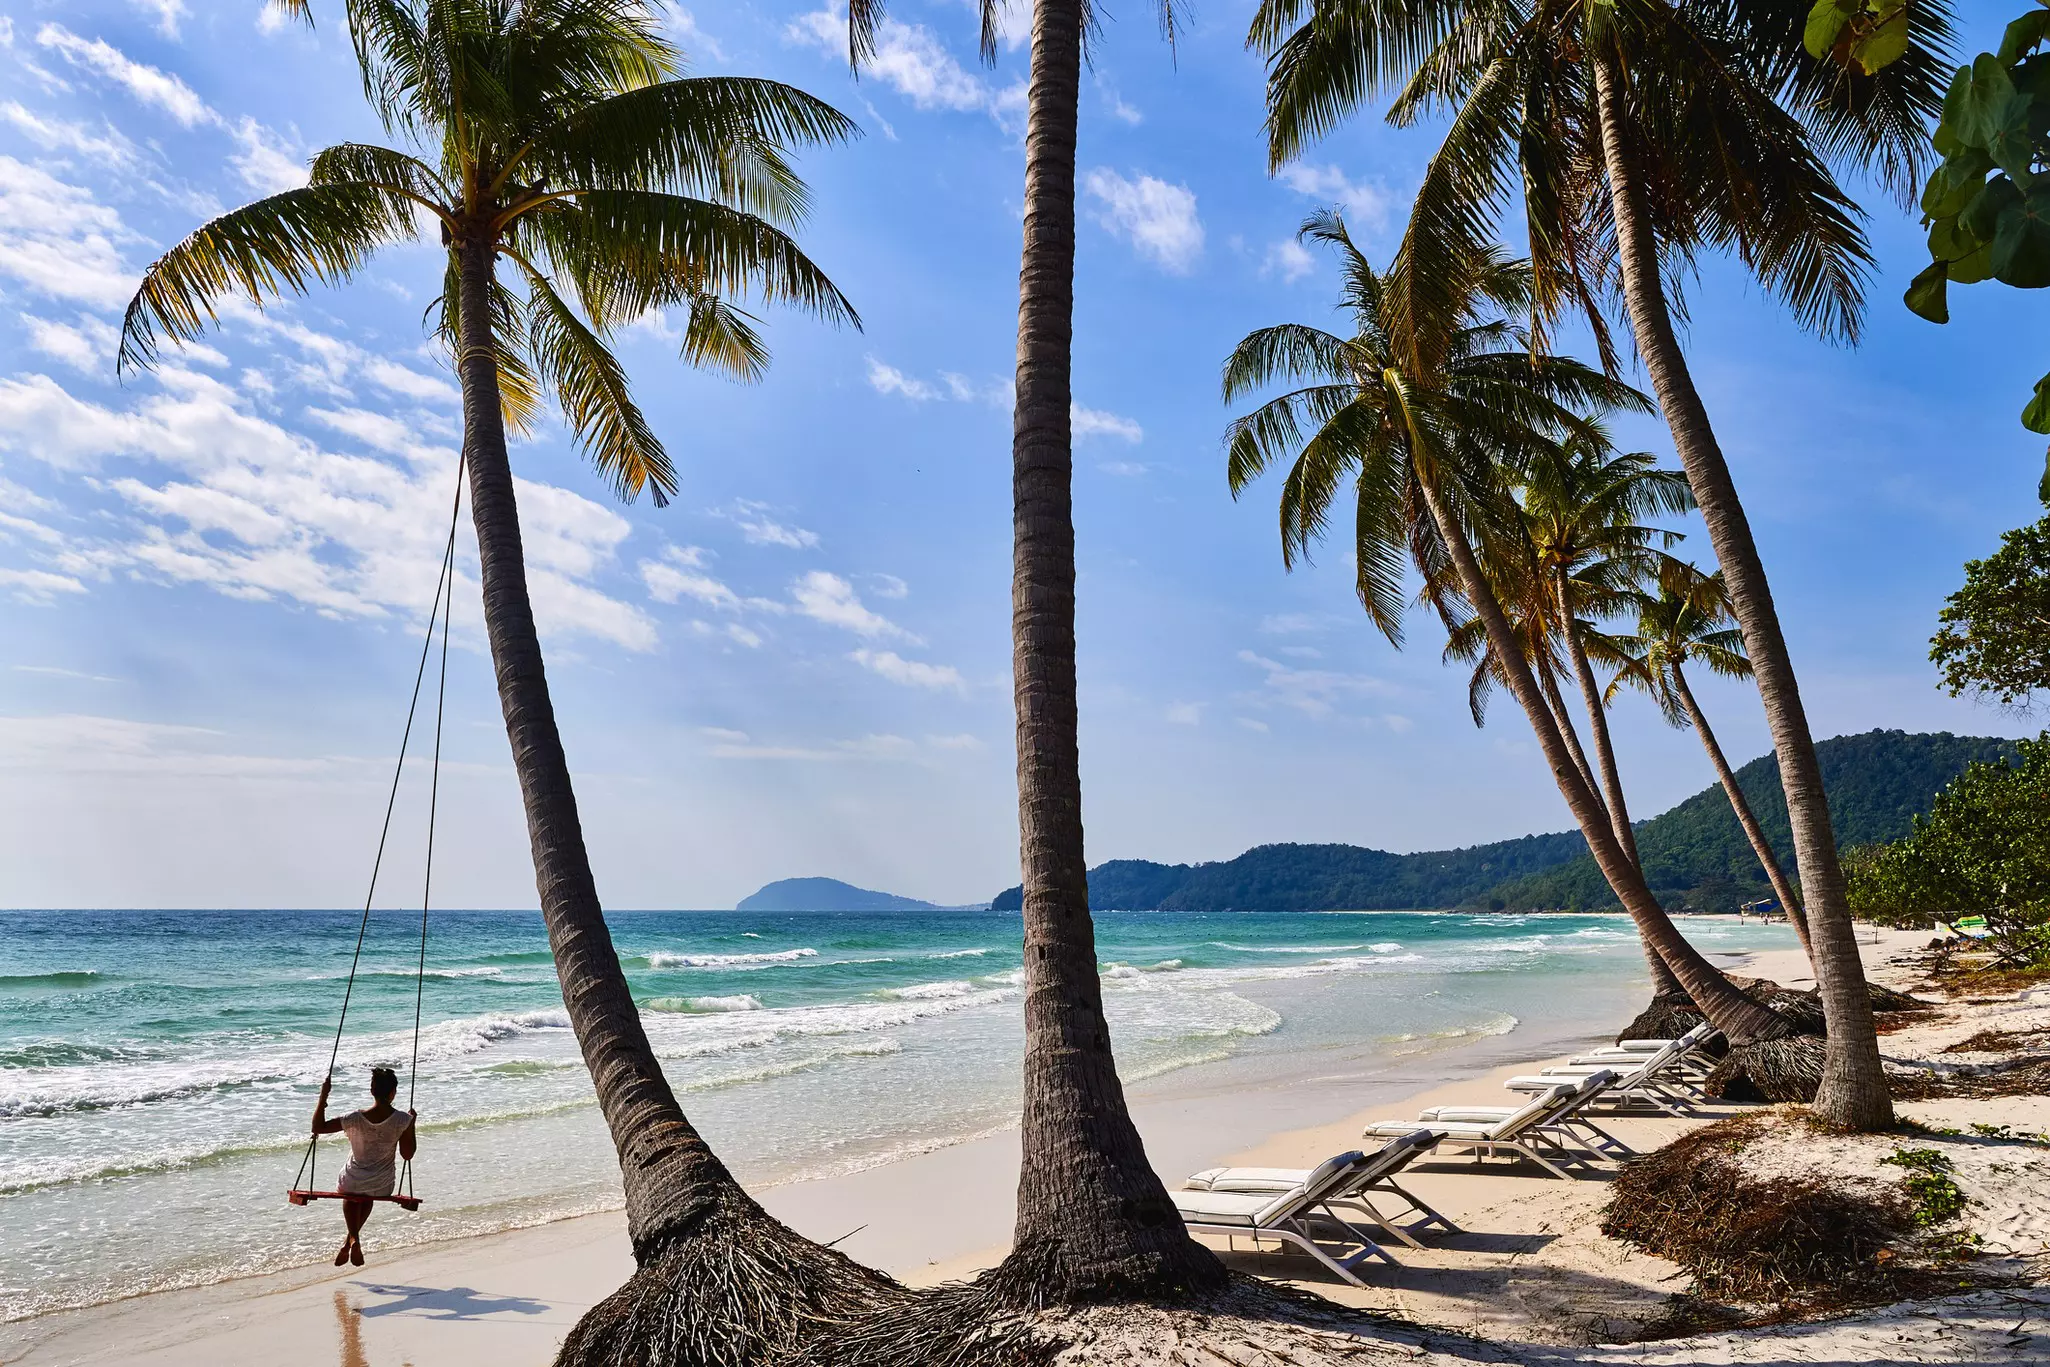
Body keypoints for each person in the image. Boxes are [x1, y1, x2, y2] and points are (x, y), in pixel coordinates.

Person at [311, 1066, 417, 1266]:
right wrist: (411, 1125)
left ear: (372, 1091)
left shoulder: (354, 1118)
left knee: (353, 1193)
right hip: (382, 1184)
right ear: (393, 1093)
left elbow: (318, 1127)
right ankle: (351, 1240)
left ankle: (352, 1238)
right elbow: (407, 1154)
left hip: (352, 1181)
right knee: (368, 1195)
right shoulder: (403, 1119)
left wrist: (323, 1096)